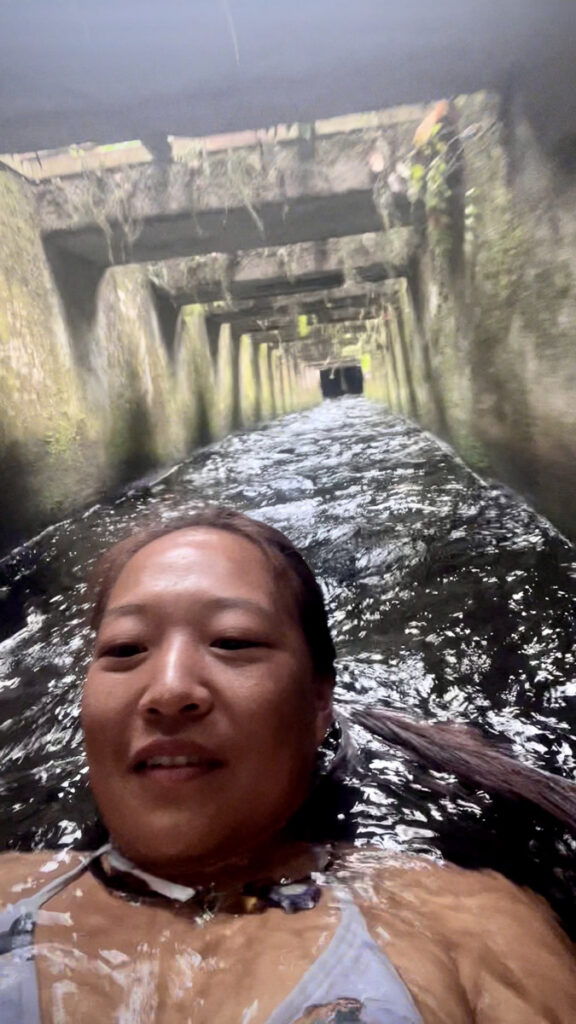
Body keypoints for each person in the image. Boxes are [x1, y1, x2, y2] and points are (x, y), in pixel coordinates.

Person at [0, 507, 575, 1024]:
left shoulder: (469, 930)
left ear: (319, 701)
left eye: (233, 640)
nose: (169, 689)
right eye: (125, 649)